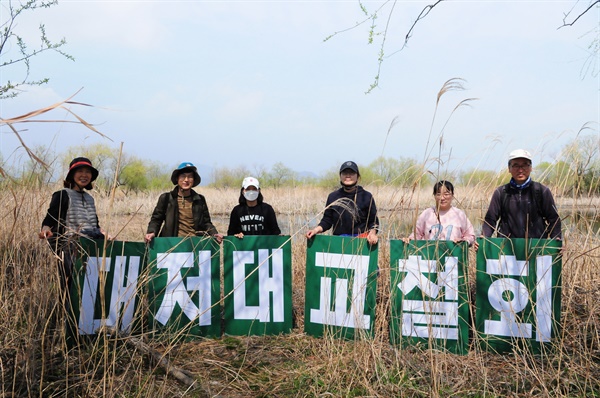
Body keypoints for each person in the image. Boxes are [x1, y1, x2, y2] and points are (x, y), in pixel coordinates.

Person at [39, 157, 109, 293]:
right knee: (70, 286)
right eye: (80, 171)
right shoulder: (62, 195)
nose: (84, 175)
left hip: (92, 246)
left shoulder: (90, 198)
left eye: (88, 172)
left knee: (89, 285)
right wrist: (45, 229)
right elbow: (50, 218)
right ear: (72, 174)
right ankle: (64, 313)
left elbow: (95, 223)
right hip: (71, 247)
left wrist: (104, 232)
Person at [482, 149, 562, 239]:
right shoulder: (501, 193)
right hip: (506, 248)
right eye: (516, 165)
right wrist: (484, 237)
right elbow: (490, 220)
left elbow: (553, 219)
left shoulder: (541, 191)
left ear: (531, 168)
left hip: (536, 247)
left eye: (525, 165)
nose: (520, 170)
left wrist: (556, 239)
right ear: (509, 169)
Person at [145, 162, 223, 244]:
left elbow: (206, 222)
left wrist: (214, 233)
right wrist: (151, 232)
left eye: (190, 177)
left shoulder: (200, 199)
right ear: (177, 179)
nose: (186, 180)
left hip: (194, 244)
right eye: (183, 176)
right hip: (172, 244)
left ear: (193, 180)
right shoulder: (166, 198)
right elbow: (156, 219)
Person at [306, 161, 379, 245]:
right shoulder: (333, 197)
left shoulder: (366, 196)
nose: (348, 175)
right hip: (338, 242)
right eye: (345, 172)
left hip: (360, 243)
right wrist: (315, 230)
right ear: (340, 176)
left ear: (358, 176)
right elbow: (327, 221)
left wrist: (372, 233)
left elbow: (374, 222)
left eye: (351, 172)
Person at [405, 180, 477, 248]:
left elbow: (470, 235)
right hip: (430, 257)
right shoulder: (426, 214)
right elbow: (417, 234)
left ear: (452, 195)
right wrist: (409, 240)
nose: (442, 198)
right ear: (434, 196)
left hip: (453, 257)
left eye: (446, 194)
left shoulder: (459, 214)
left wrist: (464, 241)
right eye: (439, 194)